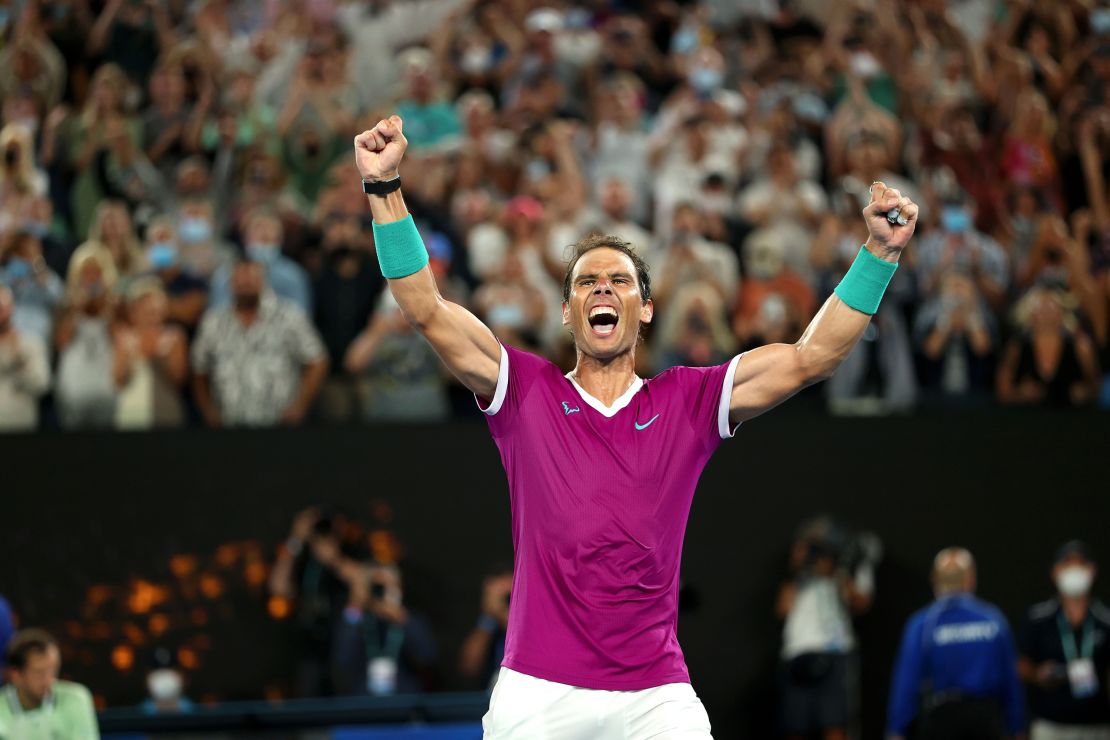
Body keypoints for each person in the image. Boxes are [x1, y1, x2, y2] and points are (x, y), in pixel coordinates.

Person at [353, 114, 919, 737]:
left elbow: (813, 357)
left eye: (620, 280)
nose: (603, 288)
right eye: (587, 282)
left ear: (645, 309)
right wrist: (384, 190)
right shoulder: (525, 391)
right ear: (569, 313)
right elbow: (425, 309)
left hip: (655, 696)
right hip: (539, 690)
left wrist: (880, 254)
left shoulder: (689, 401)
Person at [886, 548, 1024, 740]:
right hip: (983, 722)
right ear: (970, 579)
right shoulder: (992, 619)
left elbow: (906, 683)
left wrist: (897, 730)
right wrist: (1017, 726)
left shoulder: (923, 624)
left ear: (935, 580)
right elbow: (1010, 680)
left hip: (942, 722)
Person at [191, 258, 328, 428]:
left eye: (252, 278)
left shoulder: (290, 317)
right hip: (228, 425)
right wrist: (208, 410)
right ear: (230, 282)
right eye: (241, 278)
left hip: (279, 425)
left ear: (263, 280)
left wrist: (300, 405)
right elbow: (199, 368)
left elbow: (317, 359)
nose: (246, 283)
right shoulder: (213, 322)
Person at [776, 518, 877, 740]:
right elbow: (783, 609)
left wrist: (835, 574)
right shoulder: (796, 578)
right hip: (797, 653)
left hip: (835, 653)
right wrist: (797, 569)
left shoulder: (845, 573)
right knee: (795, 726)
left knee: (835, 724)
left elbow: (861, 603)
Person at [1019, 541, 1110, 740]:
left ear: (1092, 570)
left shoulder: (1105, 620)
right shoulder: (1038, 618)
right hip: (1051, 725)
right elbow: (1020, 664)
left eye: (1079, 564)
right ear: (1055, 572)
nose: (1073, 571)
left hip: (1099, 725)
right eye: (1067, 565)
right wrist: (1037, 674)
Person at [0, 628, 99, 739]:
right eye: (39, 673)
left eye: (53, 670)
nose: (49, 680)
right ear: (16, 675)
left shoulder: (76, 698)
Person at [0, 284, 50, 432]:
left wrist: (19, 357)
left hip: (20, 427)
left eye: (1, 308)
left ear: (11, 308)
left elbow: (42, 385)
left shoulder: (32, 343)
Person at [459, 565, 513, 690]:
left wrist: (504, 615)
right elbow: (468, 668)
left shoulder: (537, 618)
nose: (506, 601)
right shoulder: (486, 621)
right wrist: (488, 617)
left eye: (510, 596)